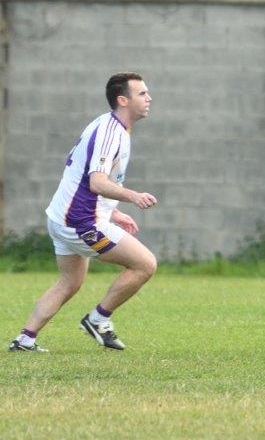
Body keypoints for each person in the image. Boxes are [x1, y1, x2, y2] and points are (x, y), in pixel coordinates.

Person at [9, 73, 158, 353]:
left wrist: (113, 214)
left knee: (69, 282)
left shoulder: (111, 126)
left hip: (65, 217)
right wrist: (132, 197)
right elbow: (97, 182)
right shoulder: (110, 132)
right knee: (144, 264)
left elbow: (82, 178)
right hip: (80, 222)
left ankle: (25, 340)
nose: (149, 98)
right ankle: (98, 319)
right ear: (122, 100)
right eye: (142, 93)